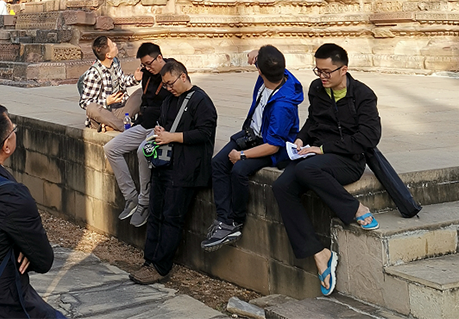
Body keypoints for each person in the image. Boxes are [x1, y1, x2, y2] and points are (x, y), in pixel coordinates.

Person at [272, 43, 381, 297]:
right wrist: (301, 140)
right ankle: (320, 254)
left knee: (307, 169)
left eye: (327, 72)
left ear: (344, 69)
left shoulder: (363, 95)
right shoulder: (317, 89)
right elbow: (313, 120)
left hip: (348, 159)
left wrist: (321, 149)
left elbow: (369, 137)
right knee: (281, 186)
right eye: (318, 71)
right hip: (317, 156)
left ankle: (355, 208)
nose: (322, 77)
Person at [0, 104, 66, 319]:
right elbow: (44, 260)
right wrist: (21, 246)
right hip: (0, 301)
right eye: (13, 129)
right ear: (6, 146)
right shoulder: (12, 196)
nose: (16, 132)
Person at [202, 45, 303, 251]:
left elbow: (274, 146)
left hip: (271, 146)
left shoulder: (283, 105)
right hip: (251, 134)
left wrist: (241, 155)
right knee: (217, 164)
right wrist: (256, 51)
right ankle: (224, 218)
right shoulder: (277, 74)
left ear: (260, 71)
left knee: (239, 170)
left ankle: (235, 221)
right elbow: (270, 60)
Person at [130, 60, 217, 285]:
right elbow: (164, 123)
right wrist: (160, 130)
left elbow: (204, 133)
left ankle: (161, 266)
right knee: (156, 213)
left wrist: (172, 137)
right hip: (164, 164)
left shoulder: (201, 101)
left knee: (172, 218)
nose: (168, 88)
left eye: (170, 84)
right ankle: (149, 260)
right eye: (165, 85)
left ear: (183, 77)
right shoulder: (169, 100)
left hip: (186, 168)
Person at [104, 42, 172, 227]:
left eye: (149, 63)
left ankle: (144, 201)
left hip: (162, 126)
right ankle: (131, 197)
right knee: (111, 148)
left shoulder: (171, 71)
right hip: (143, 124)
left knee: (143, 152)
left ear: (159, 57)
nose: (148, 68)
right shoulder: (147, 76)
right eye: (145, 65)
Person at [79, 36, 142, 132]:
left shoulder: (115, 62)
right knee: (91, 108)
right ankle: (124, 126)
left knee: (141, 92)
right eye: (112, 45)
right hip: (105, 113)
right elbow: (84, 102)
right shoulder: (94, 73)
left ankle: (111, 126)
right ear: (108, 55)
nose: (115, 45)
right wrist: (106, 101)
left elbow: (122, 82)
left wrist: (135, 78)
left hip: (121, 108)